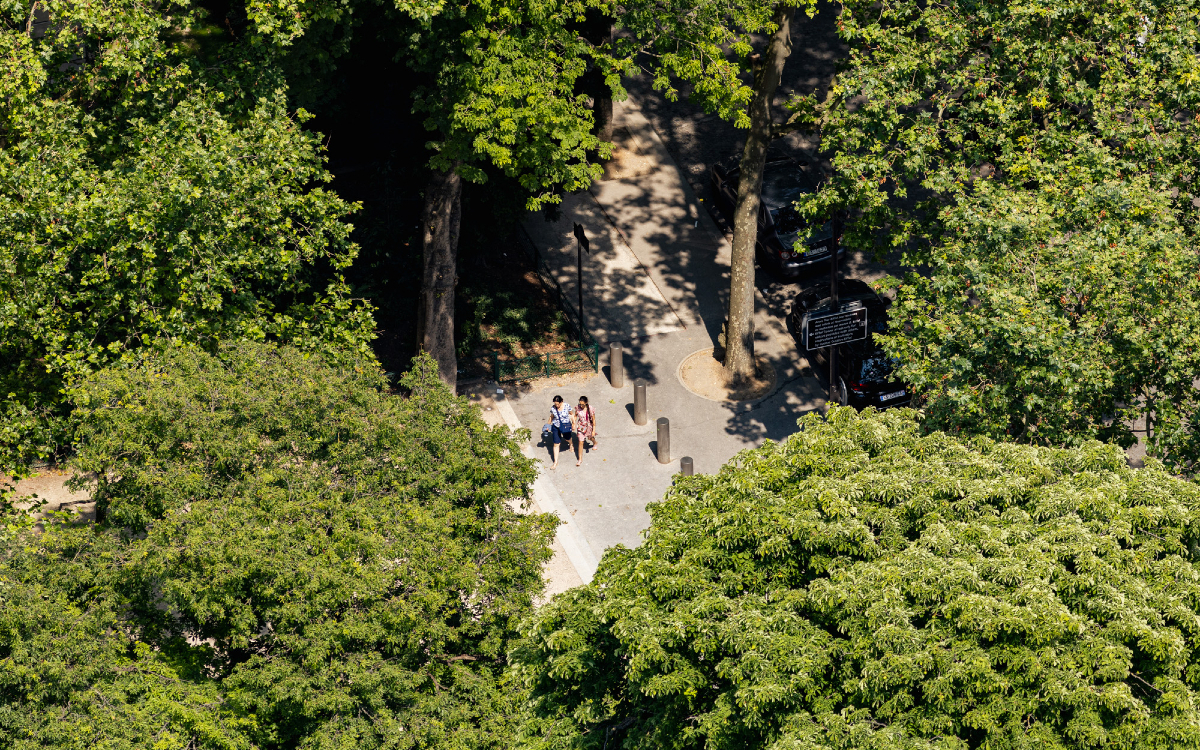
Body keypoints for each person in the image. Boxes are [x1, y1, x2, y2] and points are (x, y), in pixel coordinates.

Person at [548, 395, 573, 470]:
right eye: (555, 404)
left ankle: (571, 444)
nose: (557, 406)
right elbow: (551, 417)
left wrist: (573, 423)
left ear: (561, 401)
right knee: (556, 444)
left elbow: (571, 414)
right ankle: (555, 462)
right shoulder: (553, 408)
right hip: (556, 426)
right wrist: (547, 425)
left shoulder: (567, 406)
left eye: (558, 404)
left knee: (567, 438)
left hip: (565, 426)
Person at [572, 396, 597, 466]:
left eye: (582, 404)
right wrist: (573, 423)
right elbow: (575, 416)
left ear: (586, 403)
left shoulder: (590, 409)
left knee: (590, 438)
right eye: (580, 404)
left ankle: (595, 443)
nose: (581, 406)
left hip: (588, 427)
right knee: (581, 442)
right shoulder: (578, 408)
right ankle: (580, 459)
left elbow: (593, 420)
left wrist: (593, 430)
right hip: (581, 427)